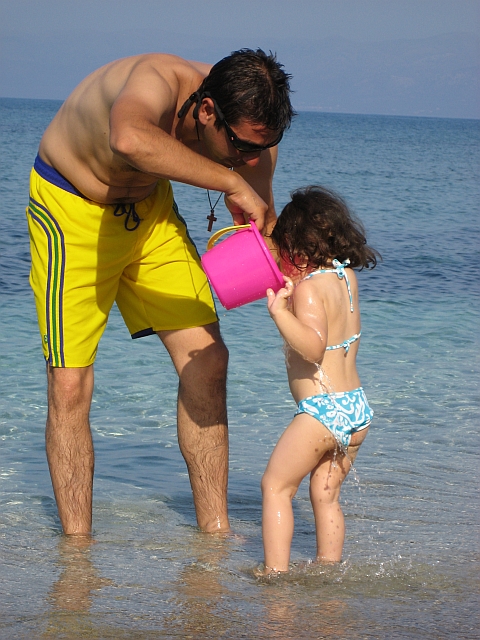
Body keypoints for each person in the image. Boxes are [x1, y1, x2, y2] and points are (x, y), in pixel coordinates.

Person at [26, 49, 294, 536]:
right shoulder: (156, 80)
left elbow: (264, 235)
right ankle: (76, 557)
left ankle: (215, 538)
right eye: (240, 146)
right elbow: (128, 138)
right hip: (72, 209)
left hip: (149, 212)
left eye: (263, 146)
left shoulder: (254, 140)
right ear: (207, 110)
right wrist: (230, 178)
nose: (251, 158)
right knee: (69, 385)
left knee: (209, 360)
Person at [260, 186, 380, 573]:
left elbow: (313, 348)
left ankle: (274, 576)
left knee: (276, 487)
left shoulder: (309, 289)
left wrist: (280, 313)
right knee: (325, 497)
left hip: (322, 410)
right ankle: (329, 571)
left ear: (298, 243)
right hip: (355, 409)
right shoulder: (345, 278)